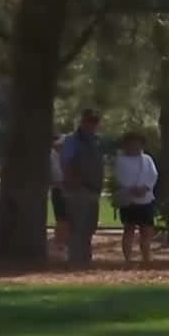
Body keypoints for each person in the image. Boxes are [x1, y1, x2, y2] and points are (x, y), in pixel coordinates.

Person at [61, 109, 104, 264]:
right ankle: (76, 259)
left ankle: (85, 259)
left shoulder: (96, 141)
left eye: (95, 122)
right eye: (89, 121)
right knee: (77, 227)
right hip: (78, 189)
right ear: (83, 121)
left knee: (89, 227)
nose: (92, 125)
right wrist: (74, 182)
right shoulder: (72, 140)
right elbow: (67, 163)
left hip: (94, 189)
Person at [113, 131, 159, 264]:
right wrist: (131, 189)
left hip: (146, 198)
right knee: (129, 229)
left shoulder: (147, 159)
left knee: (146, 230)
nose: (134, 146)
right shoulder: (120, 160)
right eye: (131, 143)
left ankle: (146, 257)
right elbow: (119, 177)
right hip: (129, 199)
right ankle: (128, 259)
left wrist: (145, 187)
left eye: (138, 143)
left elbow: (153, 175)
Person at [49, 133, 69, 257]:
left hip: (69, 190)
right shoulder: (51, 156)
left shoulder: (66, 156)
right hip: (58, 189)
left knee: (68, 219)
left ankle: (65, 243)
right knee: (61, 219)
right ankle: (60, 245)